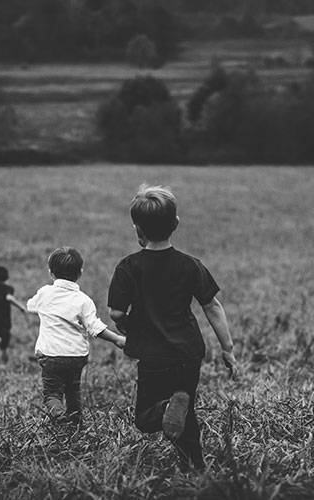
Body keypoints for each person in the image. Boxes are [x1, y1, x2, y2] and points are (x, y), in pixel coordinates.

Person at [107, 184, 238, 472]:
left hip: (153, 356)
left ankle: (167, 409)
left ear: (137, 228)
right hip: (188, 354)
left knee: (146, 417)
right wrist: (227, 348)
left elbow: (116, 311)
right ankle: (196, 466)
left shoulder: (128, 267)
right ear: (175, 224)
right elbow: (213, 306)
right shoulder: (190, 265)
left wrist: (127, 325)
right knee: (184, 413)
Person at [27, 247, 125, 425]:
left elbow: (31, 306)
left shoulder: (44, 293)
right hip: (76, 356)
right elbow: (94, 327)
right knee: (73, 389)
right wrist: (117, 338)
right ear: (80, 272)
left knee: (52, 393)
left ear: (51, 273)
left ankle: (59, 416)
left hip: (51, 355)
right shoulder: (83, 300)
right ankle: (76, 423)